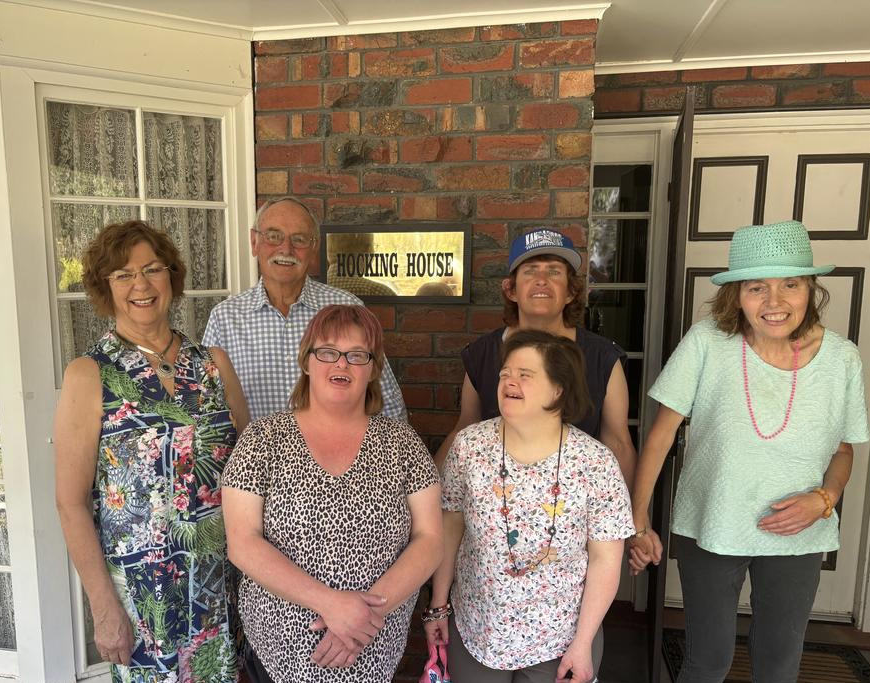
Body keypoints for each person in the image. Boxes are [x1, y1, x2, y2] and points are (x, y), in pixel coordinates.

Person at [628, 220, 870, 682]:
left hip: (797, 532)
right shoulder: (706, 342)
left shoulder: (842, 358)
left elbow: (843, 450)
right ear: (736, 293)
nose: (775, 303)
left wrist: (824, 500)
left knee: (780, 663)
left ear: (810, 289)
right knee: (707, 661)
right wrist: (638, 520)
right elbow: (659, 437)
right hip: (711, 524)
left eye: (791, 285)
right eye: (758, 287)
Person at [54, 220, 250, 683]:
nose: (140, 284)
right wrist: (104, 608)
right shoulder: (90, 374)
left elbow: (250, 473)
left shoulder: (213, 365)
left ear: (171, 277)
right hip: (143, 600)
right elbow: (70, 502)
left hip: (221, 587)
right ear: (106, 287)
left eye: (152, 269)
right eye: (123, 275)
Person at [221, 304, 441, 682]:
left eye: (357, 355)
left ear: (373, 369)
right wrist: (331, 605)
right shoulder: (262, 440)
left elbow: (431, 538)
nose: (342, 364)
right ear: (307, 362)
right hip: (280, 650)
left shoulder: (403, 443)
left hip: (373, 643)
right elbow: (242, 544)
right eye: (327, 352)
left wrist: (364, 616)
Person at [425, 330, 633, 683]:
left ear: (559, 389)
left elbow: (606, 559)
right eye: (505, 372)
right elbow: (450, 525)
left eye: (525, 374)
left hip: (561, 638)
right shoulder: (469, 447)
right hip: (477, 629)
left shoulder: (596, 462)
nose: (510, 380)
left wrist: (582, 644)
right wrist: (438, 606)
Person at [434, 228, 636, 488]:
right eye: (530, 271)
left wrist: (634, 522)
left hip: (576, 506)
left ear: (571, 292)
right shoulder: (482, 354)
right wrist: (428, 499)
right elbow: (464, 428)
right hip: (496, 503)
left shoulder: (602, 358)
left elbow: (618, 442)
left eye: (554, 271)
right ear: (511, 290)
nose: (542, 279)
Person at [203, 197, 407, 421]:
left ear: (314, 247)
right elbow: (207, 410)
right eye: (273, 236)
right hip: (255, 455)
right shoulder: (224, 318)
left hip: (336, 454)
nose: (286, 249)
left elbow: (387, 403)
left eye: (299, 239)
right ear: (254, 241)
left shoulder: (346, 307)